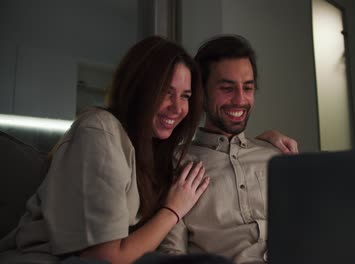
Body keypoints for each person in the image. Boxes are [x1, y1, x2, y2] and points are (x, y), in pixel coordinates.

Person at [0, 36, 296, 264]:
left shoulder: (153, 152)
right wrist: (173, 209)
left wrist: (258, 145)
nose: (178, 107)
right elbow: (109, 257)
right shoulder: (101, 131)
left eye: (184, 95)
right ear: (140, 87)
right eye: (166, 92)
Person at [158, 35, 298, 263]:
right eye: (227, 88)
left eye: (248, 88)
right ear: (201, 92)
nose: (240, 99)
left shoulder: (276, 153)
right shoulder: (176, 163)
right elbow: (172, 253)